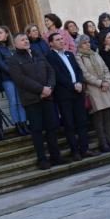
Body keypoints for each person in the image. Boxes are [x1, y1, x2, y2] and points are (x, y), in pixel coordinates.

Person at [8, 33, 64, 170]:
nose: (26, 41)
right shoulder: (13, 59)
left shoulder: (37, 53)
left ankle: (56, 157)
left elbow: (50, 71)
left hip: (47, 96)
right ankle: (42, 159)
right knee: (37, 131)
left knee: (51, 128)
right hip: (32, 100)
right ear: (15, 44)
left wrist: (49, 87)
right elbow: (21, 80)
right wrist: (41, 89)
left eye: (26, 39)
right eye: (22, 40)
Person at [46, 33, 91, 161]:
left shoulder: (69, 54)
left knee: (82, 121)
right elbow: (58, 75)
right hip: (64, 94)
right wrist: (73, 86)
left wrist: (80, 82)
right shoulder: (50, 57)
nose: (61, 41)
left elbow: (78, 70)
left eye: (62, 39)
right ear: (51, 43)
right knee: (69, 124)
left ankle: (85, 148)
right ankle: (75, 151)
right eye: (58, 40)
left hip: (77, 93)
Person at [75, 35, 110, 152]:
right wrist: (100, 83)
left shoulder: (95, 53)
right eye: (84, 43)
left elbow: (105, 68)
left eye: (88, 42)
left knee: (107, 116)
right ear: (79, 45)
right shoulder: (78, 57)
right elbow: (84, 74)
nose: (87, 44)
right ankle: (103, 143)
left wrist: (107, 81)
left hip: (105, 87)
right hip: (93, 89)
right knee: (98, 118)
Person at [0, 26, 28, 135]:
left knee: (21, 101)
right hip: (7, 78)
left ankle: (24, 124)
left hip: (19, 78)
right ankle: (17, 125)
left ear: (7, 34)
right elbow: (1, 64)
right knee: (13, 101)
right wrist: (13, 73)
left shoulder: (13, 47)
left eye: (1, 32)